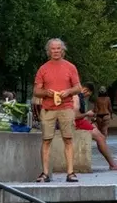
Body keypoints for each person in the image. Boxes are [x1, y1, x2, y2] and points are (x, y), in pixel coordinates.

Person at [33, 39, 84, 183]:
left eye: (58, 48)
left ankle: (71, 172)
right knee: (46, 140)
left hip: (66, 107)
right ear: (49, 51)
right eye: (53, 49)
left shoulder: (70, 67)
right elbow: (36, 91)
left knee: (68, 139)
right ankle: (45, 173)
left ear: (63, 50)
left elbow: (78, 87)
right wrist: (46, 93)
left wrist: (68, 91)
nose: (56, 51)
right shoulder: (43, 68)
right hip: (48, 108)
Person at [75, 85, 117, 172]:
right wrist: (87, 114)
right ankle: (112, 164)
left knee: (100, 134)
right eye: (88, 94)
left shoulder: (84, 98)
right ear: (86, 90)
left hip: (95, 117)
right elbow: (75, 115)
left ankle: (111, 161)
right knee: (102, 136)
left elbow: (95, 109)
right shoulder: (76, 97)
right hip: (79, 122)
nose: (87, 96)